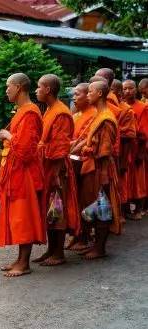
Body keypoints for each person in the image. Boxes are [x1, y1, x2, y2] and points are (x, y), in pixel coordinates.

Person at [0, 73, 45, 277]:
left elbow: (25, 150)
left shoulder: (31, 113)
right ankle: (19, 258)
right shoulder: (22, 111)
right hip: (15, 170)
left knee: (24, 216)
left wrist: (8, 135)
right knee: (17, 216)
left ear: (18, 87)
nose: (6, 90)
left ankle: (24, 263)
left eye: (8, 86)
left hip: (24, 173)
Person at [34, 74, 80, 266]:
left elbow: (60, 148)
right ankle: (51, 250)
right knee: (49, 211)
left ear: (48, 90)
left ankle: (59, 253)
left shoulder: (61, 112)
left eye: (39, 87)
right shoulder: (50, 109)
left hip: (57, 168)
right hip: (47, 166)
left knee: (57, 210)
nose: (36, 91)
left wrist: (56, 175)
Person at [79, 81, 121, 260]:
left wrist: (104, 176)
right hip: (92, 166)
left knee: (102, 206)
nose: (88, 94)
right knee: (93, 205)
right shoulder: (98, 115)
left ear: (100, 94)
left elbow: (105, 150)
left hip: (101, 169)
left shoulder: (106, 118)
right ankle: (95, 244)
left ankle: (100, 248)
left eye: (90, 91)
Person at [67, 83, 98, 252]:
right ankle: (78, 234)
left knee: (88, 202)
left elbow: (85, 140)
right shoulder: (76, 115)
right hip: (75, 162)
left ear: (88, 95)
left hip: (88, 164)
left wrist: (68, 147)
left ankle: (86, 236)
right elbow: (72, 138)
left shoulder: (94, 115)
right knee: (76, 201)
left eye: (77, 94)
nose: (73, 98)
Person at [111, 79, 138, 221]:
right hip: (108, 155)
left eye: (112, 90)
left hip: (122, 153)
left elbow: (128, 136)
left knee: (121, 184)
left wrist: (122, 161)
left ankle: (122, 211)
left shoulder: (125, 110)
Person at [124, 80, 148, 217]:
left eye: (130, 88)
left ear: (136, 90)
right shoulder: (123, 107)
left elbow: (144, 132)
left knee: (140, 180)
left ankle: (139, 209)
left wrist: (141, 152)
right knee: (129, 181)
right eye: (125, 89)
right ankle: (128, 209)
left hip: (138, 147)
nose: (128, 91)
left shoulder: (142, 107)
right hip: (127, 150)